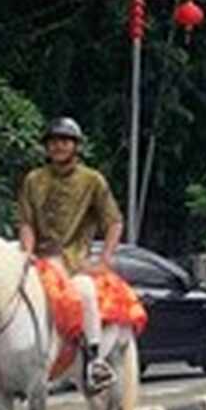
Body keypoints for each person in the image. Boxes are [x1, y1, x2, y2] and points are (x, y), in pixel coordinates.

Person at [17, 117, 123, 392]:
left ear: (75, 146)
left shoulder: (92, 180)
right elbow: (26, 222)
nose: (58, 146)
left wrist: (105, 259)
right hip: (36, 258)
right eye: (53, 141)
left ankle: (95, 362)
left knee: (86, 290)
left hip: (71, 261)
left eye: (64, 141)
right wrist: (26, 251)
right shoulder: (33, 179)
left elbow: (114, 222)